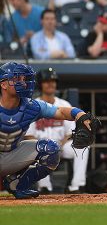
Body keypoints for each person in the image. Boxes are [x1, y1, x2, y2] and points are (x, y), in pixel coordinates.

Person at [0, 61, 94, 199]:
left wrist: (80, 114)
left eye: (23, 79)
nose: (23, 82)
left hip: (12, 155)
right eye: (16, 79)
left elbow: (61, 112)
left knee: (51, 148)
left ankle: (16, 184)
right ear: (3, 84)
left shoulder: (32, 106)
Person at [26, 68, 89, 194]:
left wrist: (60, 144)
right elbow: (28, 135)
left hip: (61, 145)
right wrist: (44, 146)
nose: (51, 84)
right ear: (40, 84)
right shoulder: (33, 105)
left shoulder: (63, 104)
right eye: (46, 81)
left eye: (53, 81)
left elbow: (71, 131)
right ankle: (45, 188)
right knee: (37, 149)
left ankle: (76, 187)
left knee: (83, 147)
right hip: (40, 146)